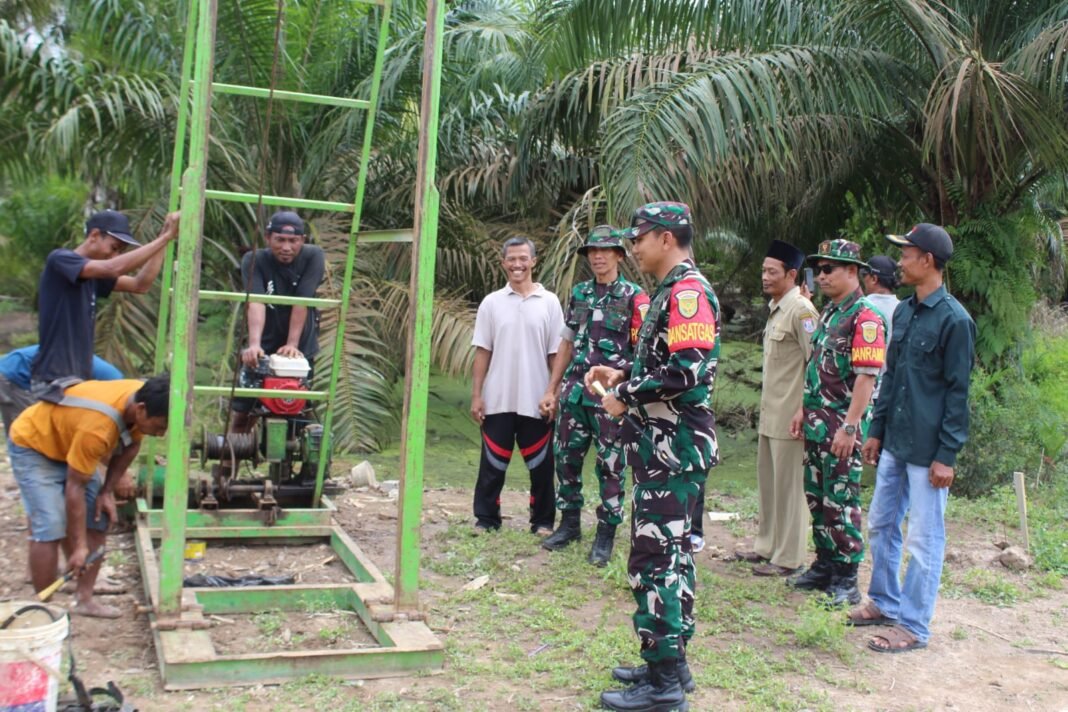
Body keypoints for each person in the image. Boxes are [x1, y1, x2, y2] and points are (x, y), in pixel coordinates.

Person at [587, 202, 719, 712]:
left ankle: (662, 687)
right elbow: (665, 363)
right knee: (673, 557)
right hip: (665, 447)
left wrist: (627, 395)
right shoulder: (669, 293)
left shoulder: (687, 293)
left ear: (666, 238)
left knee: (655, 561)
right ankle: (671, 665)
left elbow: (687, 370)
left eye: (638, 237)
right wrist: (621, 374)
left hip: (673, 448)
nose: (632, 247)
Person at [852, 224, 975, 654]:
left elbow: (958, 395)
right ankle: (883, 602)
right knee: (882, 522)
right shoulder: (903, 313)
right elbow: (892, 378)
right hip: (896, 443)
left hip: (928, 453)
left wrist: (947, 455)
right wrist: (876, 430)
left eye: (906, 254)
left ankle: (914, 625)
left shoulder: (955, 321)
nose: (899, 261)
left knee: (925, 538)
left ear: (928, 260)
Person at [7, 375, 170, 618]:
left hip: (71, 443)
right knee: (50, 525)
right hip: (35, 445)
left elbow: (132, 445)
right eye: (159, 426)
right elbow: (75, 488)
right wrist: (80, 547)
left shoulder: (141, 396)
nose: (161, 434)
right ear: (141, 409)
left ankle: (84, 599)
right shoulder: (98, 428)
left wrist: (106, 492)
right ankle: (44, 611)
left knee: (99, 517)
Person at [539, 226, 649, 564]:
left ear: (619, 255)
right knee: (566, 460)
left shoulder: (635, 297)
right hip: (575, 394)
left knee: (611, 466)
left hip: (610, 397)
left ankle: (605, 534)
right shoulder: (580, 293)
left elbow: (643, 351)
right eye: (592, 251)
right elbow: (567, 343)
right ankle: (569, 523)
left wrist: (626, 386)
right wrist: (552, 389)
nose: (598, 256)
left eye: (605, 250)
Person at [788, 239, 885, 607]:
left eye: (830, 269)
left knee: (841, 500)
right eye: (819, 269)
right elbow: (815, 367)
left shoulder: (866, 317)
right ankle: (825, 564)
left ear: (853, 272)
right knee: (817, 498)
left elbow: (866, 377)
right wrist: (802, 408)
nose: (822, 276)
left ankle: (847, 577)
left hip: (842, 427)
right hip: (816, 423)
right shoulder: (829, 313)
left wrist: (850, 426)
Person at [470, 237, 565, 535]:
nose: (517, 264)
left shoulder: (549, 302)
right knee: (492, 465)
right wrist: (477, 395)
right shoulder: (491, 302)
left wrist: (553, 392)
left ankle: (543, 521)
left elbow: (556, 353)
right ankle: (486, 519)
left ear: (533, 261)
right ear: (503, 263)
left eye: (523, 258)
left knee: (541, 465)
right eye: (511, 259)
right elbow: (483, 350)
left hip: (536, 398)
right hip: (498, 398)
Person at [736, 240, 819, 577]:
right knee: (770, 484)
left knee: (789, 489)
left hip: (792, 417)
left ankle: (789, 558)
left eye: (772, 271)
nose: (765, 277)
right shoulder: (777, 309)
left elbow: (817, 363)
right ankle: (767, 546)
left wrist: (806, 408)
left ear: (792, 274)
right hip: (771, 414)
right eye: (763, 270)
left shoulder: (802, 311)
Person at [31, 210, 180, 391]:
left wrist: (166, 236)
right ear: (94, 235)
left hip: (77, 380)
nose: (114, 255)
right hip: (53, 379)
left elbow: (140, 285)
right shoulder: (61, 260)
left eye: (120, 252)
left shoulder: (92, 276)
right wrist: (164, 239)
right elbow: (112, 268)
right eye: (114, 247)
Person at [231, 210, 325, 431]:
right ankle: (228, 463)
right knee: (243, 413)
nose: (286, 247)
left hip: (301, 346)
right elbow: (256, 302)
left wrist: (292, 345)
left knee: (300, 410)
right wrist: (254, 345)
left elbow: (302, 300)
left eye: (293, 241)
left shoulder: (313, 256)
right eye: (280, 240)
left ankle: (307, 461)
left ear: (302, 240)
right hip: (265, 342)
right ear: (267, 238)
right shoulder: (255, 260)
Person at [1, 345, 123, 433]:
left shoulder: (113, 381)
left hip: (29, 372)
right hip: (14, 374)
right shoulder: (113, 385)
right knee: (27, 430)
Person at [861, 255, 901, 407]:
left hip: (865, 394)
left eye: (864, 276)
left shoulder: (861, 308)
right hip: (893, 394)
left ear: (873, 279)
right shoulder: (903, 309)